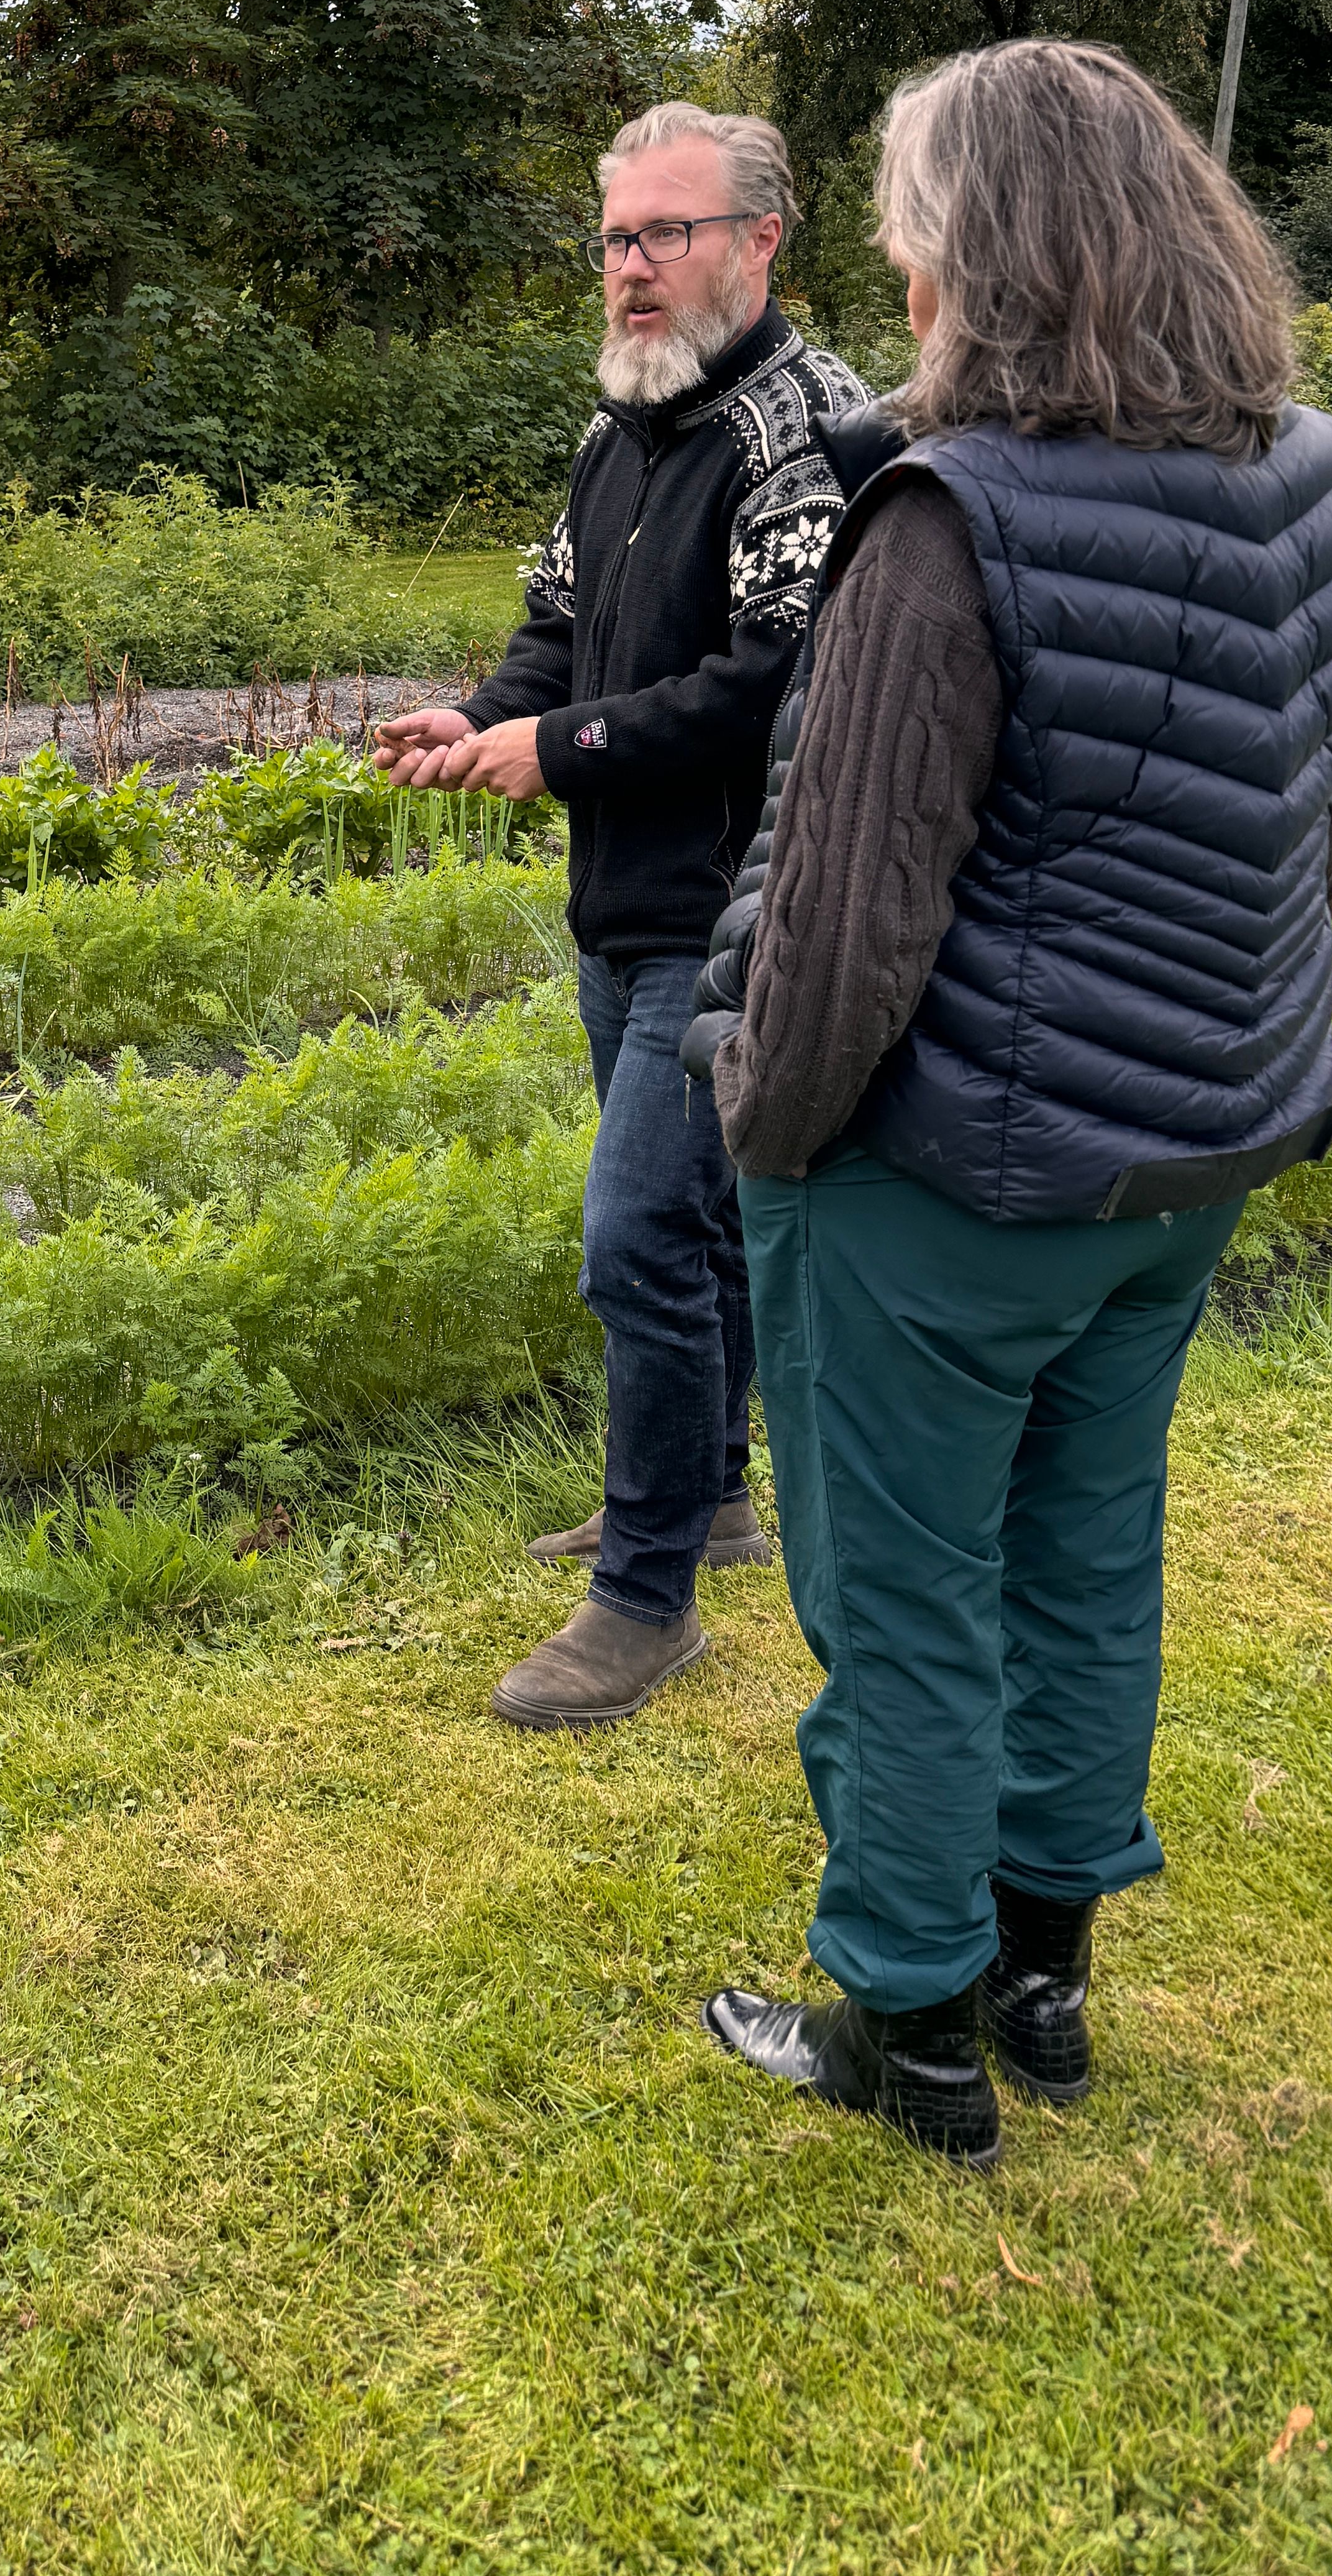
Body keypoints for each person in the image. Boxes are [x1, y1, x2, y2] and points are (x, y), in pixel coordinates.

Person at [688, 38, 1332, 2165]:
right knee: (1085, 1562)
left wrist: (762, 1130)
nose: (890, 259)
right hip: (1186, 1149)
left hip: (951, 1181)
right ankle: (1046, 1981)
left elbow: (838, 929)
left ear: (972, 254)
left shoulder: (945, 515)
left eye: (907, 221)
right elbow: (1314, 821)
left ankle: (905, 2024)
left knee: (903, 1601)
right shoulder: (1325, 472)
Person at [377, 104, 868, 1730]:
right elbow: (557, 624)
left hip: (740, 913)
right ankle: (707, 1498)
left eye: (666, 232)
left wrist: (558, 747)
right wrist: (478, 719)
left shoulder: (808, 436)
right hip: (624, 899)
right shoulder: (622, 428)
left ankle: (645, 1599)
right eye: (615, 237)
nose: (634, 266)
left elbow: (768, 691)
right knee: (693, 1234)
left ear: (756, 243)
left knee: (640, 1236)